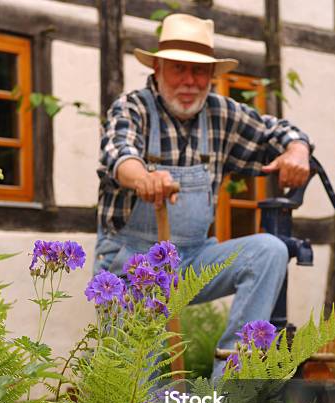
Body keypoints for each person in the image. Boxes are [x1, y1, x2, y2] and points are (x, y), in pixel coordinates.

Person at [94, 13, 312, 379]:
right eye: (180, 69)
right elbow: (117, 154)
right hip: (132, 264)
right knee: (136, 396)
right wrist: (143, 177)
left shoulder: (221, 112)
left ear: (211, 76)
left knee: (270, 250)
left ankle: (226, 389)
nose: (190, 81)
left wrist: (297, 151)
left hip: (194, 258)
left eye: (200, 72)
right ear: (159, 68)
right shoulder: (132, 107)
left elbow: (281, 130)